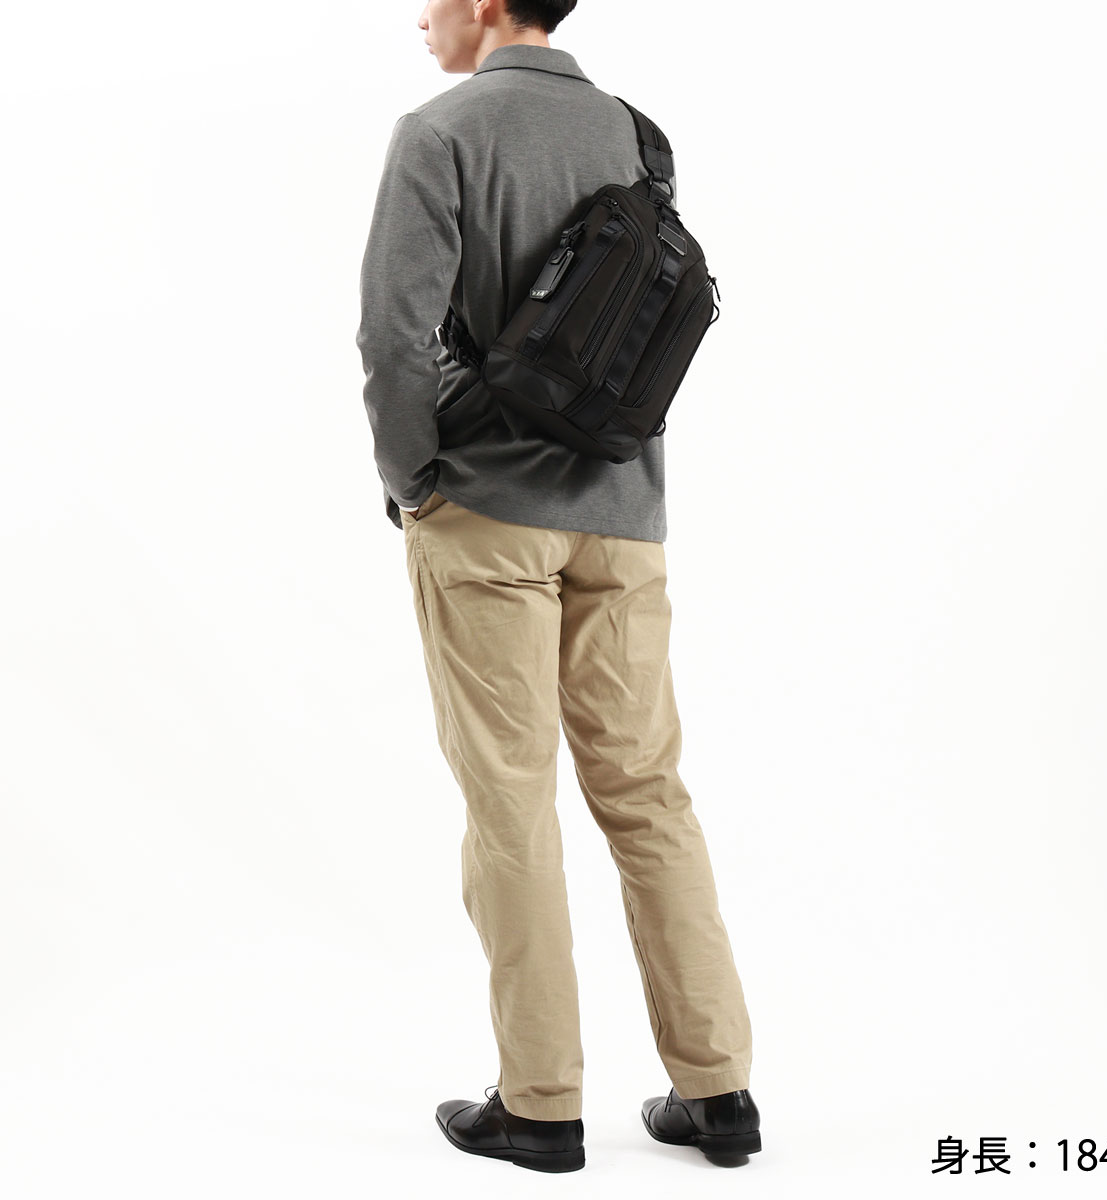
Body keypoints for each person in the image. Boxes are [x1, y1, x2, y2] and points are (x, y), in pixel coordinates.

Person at [355, 0, 759, 1172]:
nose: (419, 16)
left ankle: (538, 1106)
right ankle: (720, 1092)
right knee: (647, 795)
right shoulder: (637, 136)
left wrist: (414, 481)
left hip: (486, 513)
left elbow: (392, 336)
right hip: (625, 518)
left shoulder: (440, 133)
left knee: (511, 801)